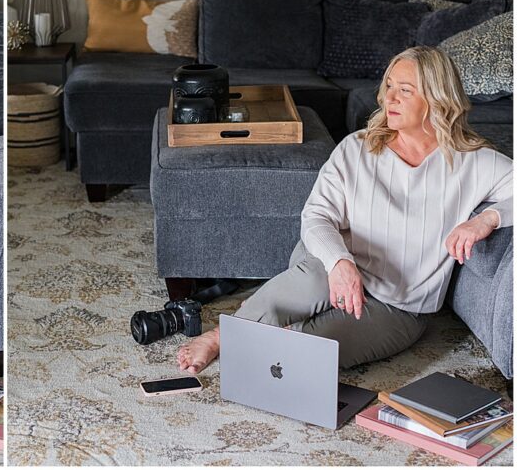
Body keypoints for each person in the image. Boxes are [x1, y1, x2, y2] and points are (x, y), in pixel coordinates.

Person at [177, 46, 512, 374]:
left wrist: (486, 219)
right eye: (389, 85)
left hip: (399, 306)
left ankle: (273, 326)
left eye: (404, 90)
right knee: (308, 285)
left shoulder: (473, 163)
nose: (389, 98)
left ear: (438, 99)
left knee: (299, 355)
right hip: (332, 265)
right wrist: (339, 263)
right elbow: (316, 216)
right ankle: (222, 335)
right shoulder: (358, 148)